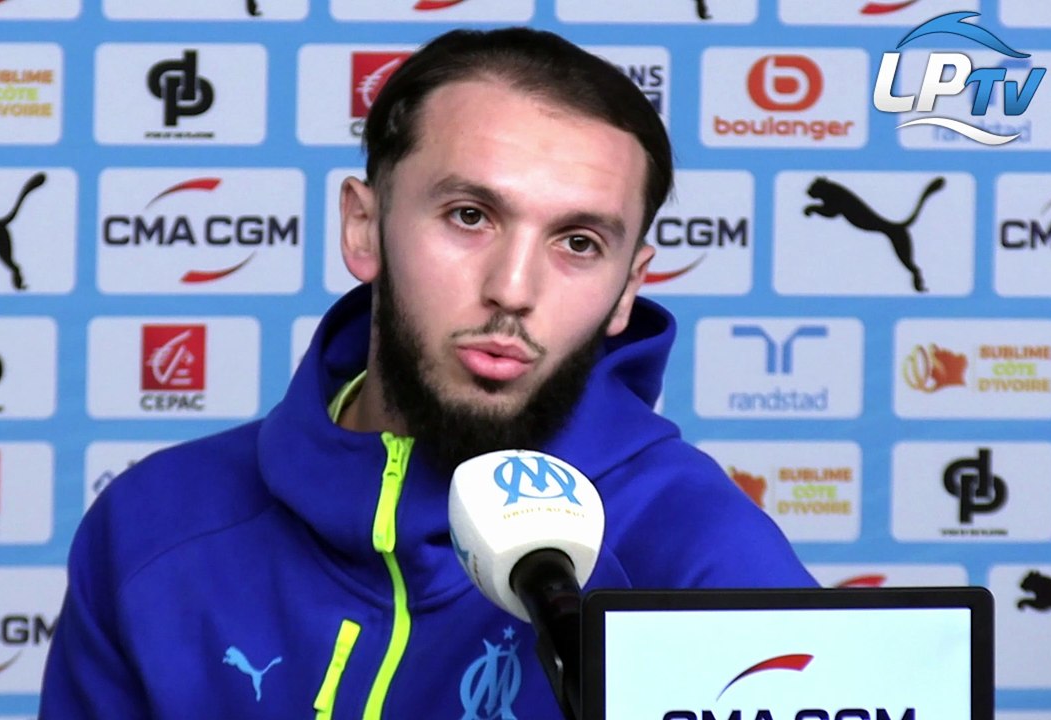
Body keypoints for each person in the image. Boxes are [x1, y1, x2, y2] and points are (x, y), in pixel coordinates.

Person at [39, 26, 815, 719]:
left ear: (627, 291)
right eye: (470, 216)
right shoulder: (155, 526)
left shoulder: (697, 552)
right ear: (364, 226)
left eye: (578, 242)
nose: (514, 289)